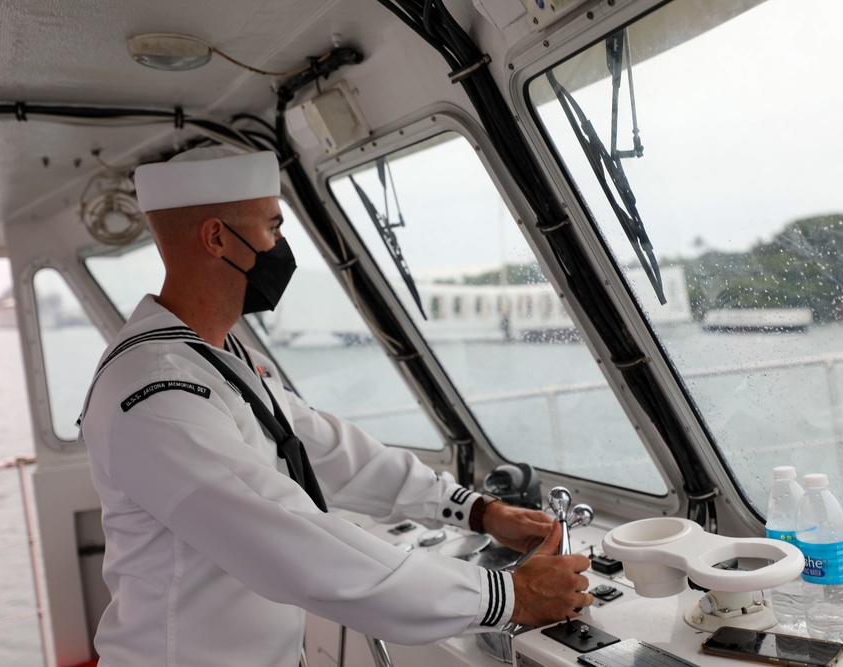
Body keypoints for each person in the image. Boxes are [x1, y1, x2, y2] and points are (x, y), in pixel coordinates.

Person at [77, 146, 593, 666]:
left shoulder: (218, 357)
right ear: (216, 238)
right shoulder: (156, 394)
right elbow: (292, 542)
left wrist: (476, 510)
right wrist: (505, 596)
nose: (281, 246)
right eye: (273, 228)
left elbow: (326, 448)